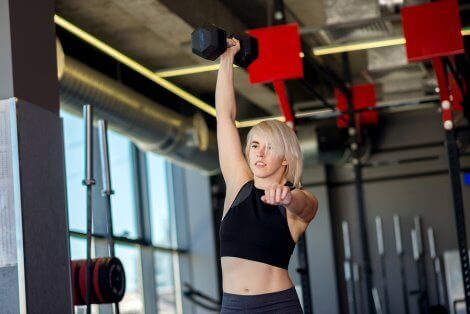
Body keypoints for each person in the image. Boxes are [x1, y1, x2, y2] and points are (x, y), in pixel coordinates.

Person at [216, 37, 319, 313]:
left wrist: (287, 199)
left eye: (269, 147)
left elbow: (305, 205)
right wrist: (227, 60)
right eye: (254, 145)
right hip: (233, 306)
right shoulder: (238, 183)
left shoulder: (297, 201)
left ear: (285, 158)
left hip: (277, 306)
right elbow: (225, 117)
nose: (259, 153)